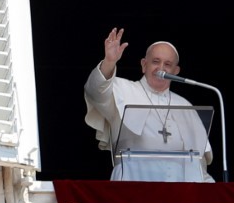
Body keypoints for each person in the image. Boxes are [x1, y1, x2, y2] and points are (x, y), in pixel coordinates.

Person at [84, 28, 214, 182]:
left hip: (179, 190)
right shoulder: (123, 89)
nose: (161, 68)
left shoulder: (185, 106)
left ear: (176, 71)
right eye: (155, 62)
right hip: (133, 184)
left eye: (168, 64)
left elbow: (199, 162)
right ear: (144, 65)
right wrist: (109, 62)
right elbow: (95, 91)